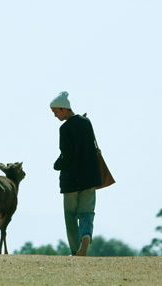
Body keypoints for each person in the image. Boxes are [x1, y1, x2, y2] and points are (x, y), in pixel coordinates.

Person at [51, 91, 101, 256]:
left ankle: (75, 250)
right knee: (87, 212)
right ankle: (86, 235)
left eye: (56, 112)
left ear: (64, 109)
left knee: (70, 216)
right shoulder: (86, 122)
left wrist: (56, 165)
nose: (55, 115)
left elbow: (67, 155)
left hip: (71, 181)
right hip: (90, 177)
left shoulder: (64, 128)